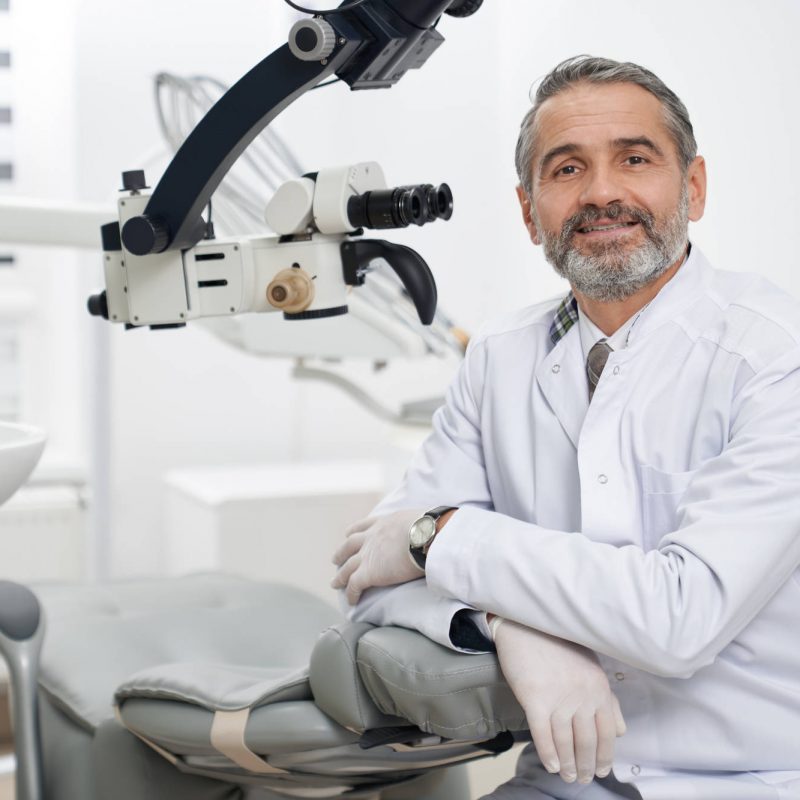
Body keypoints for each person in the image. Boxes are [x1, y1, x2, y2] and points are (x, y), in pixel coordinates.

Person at [331, 55, 800, 799]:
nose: (603, 192)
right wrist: (507, 625)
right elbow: (368, 581)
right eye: (567, 169)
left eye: (635, 159)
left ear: (694, 187)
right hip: (565, 782)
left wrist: (441, 537)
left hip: (754, 781)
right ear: (529, 212)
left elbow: (678, 618)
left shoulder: (775, 356)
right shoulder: (499, 356)